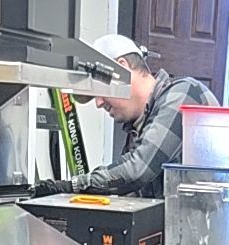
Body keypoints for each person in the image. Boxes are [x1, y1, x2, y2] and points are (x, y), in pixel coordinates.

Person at [32, 33, 217, 200]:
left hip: (205, 233)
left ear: (121, 69)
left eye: (98, 90)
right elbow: (125, 193)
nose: (98, 103)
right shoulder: (138, 128)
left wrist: (68, 186)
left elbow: (137, 170)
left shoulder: (184, 93)